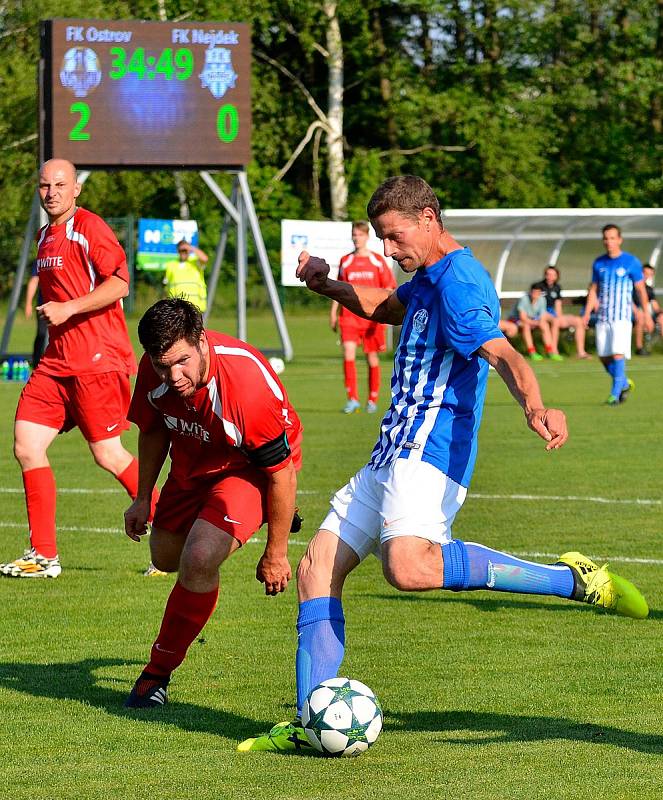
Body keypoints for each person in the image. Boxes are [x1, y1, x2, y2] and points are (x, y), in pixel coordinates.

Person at [238, 175, 648, 754]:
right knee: (315, 572)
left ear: (428, 218)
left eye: (394, 236)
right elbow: (385, 307)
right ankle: (312, 724)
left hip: (429, 452)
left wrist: (535, 404)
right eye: (382, 238)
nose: (388, 249)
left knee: (409, 568)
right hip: (390, 452)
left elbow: (503, 353)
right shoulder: (426, 276)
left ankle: (570, 580)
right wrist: (327, 284)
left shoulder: (460, 283)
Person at [123, 298, 303, 707]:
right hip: (193, 463)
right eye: (162, 364)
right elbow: (153, 431)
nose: (174, 375)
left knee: (200, 557)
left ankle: (156, 675)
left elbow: (281, 471)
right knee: (167, 557)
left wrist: (276, 553)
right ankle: (251, 516)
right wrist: (142, 497)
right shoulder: (154, 371)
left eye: (182, 361)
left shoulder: (245, 385)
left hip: (250, 468)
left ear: (201, 341)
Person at [0, 159, 156, 579]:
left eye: (60, 185)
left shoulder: (90, 228)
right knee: (26, 445)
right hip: (56, 363)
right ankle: (44, 556)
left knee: (107, 453)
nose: (51, 192)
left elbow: (120, 283)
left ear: (75, 191)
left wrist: (69, 308)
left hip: (96, 360)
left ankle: (171, 529)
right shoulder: (44, 236)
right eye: (45, 185)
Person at [330, 221, 397, 413]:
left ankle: (372, 400)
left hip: (371, 317)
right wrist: (333, 312)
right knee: (348, 354)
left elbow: (389, 287)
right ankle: (352, 399)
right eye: (354, 234)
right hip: (349, 316)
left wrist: (385, 310)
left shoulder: (377, 260)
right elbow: (339, 290)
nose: (356, 238)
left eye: (359, 235)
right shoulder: (346, 261)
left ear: (367, 236)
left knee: (372, 358)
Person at [582, 224, 649, 405]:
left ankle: (614, 394)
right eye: (606, 238)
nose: (608, 242)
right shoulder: (599, 263)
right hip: (603, 316)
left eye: (612, 238)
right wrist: (586, 314)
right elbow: (594, 290)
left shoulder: (631, 262)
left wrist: (647, 314)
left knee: (618, 353)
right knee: (604, 357)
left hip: (622, 317)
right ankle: (624, 383)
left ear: (619, 239)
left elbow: (641, 290)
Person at [536, 266, 590, 359]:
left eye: (553, 275)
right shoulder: (538, 286)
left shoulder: (557, 287)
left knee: (578, 321)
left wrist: (560, 317)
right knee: (556, 321)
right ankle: (554, 351)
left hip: (554, 315)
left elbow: (558, 305)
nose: (550, 277)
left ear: (557, 276)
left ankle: (581, 352)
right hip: (541, 315)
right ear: (545, 275)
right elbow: (534, 305)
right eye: (548, 274)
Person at [507, 283, 557, 361]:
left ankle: (550, 351)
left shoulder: (542, 299)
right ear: (530, 292)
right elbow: (522, 317)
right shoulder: (524, 299)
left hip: (531, 320)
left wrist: (538, 322)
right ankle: (532, 352)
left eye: (538, 293)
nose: (535, 294)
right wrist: (534, 323)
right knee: (526, 326)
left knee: (545, 325)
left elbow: (543, 316)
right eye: (534, 292)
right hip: (515, 320)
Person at [163, 239, 209, 312]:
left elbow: (205, 259)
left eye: (185, 250)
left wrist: (191, 248)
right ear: (178, 251)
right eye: (182, 250)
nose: (184, 252)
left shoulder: (195, 263)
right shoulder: (171, 265)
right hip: (177, 308)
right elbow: (166, 288)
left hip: (195, 307)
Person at [632, 264, 663, 356]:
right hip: (631, 313)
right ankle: (639, 348)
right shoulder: (631, 286)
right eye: (645, 273)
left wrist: (660, 313)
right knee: (641, 316)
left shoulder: (649, 289)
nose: (646, 276)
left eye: (649, 274)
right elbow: (627, 300)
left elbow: (654, 305)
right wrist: (637, 311)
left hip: (645, 314)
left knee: (662, 318)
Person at [25, 260, 48, 368]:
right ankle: (36, 364)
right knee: (41, 334)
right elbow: (34, 281)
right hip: (43, 305)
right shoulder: (40, 260)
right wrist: (28, 303)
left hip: (62, 306)